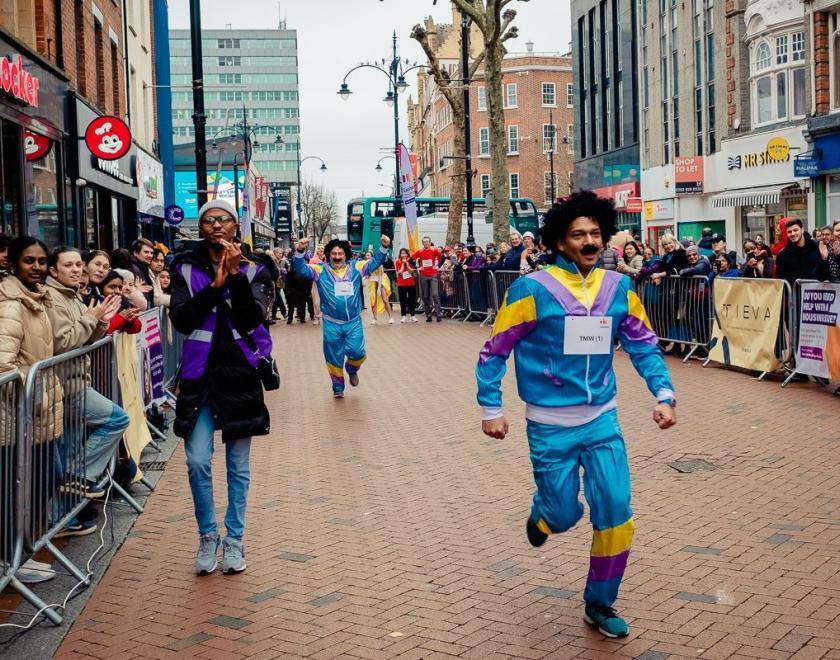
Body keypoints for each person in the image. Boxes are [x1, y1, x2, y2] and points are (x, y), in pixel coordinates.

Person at [476, 190, 676, 639]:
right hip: (550, 427)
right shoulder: (532, 289)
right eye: (577, 234)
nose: (588, 241)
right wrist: (491, 406)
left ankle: (600, 603)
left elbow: (643, 343)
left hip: (602, 420)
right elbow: (494, 351)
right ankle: (546, 512)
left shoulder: (618, 287)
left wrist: (664, 393)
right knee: (566, 514)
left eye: (595, 234)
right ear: (561, 242)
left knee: (616, 511)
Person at [169, 199, 274, 576]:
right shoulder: (182, 266)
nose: (216, 225)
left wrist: (233, 278)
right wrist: (214, 286)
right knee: (197, 461)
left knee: (238, 466)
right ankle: (207, 535)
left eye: (223, 219)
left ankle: (234, 539)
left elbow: (253, 317)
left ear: (235, 228)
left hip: (239, 376)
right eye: (209, 220)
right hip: (197, 378)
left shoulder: (257, 268)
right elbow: (182, 319)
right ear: (201, 229)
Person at [45, 247, 128, 531]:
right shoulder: (53, 298)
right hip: (66, 386)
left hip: (75, 383)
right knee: (117, 418)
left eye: (79, 264)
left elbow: (89, 337)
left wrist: (101, 318)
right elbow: (64, 342)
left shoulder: (72, 296)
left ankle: (64, 518)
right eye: (69, 265)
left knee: (70, 449)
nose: (77, 269)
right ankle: (78, 477)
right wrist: (93, 319)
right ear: (54, 271)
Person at [0, 237, 63, 584]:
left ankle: (20, 553)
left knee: (41, 482)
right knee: (16, 492)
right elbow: (2, 364)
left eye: (41, 260)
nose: (37, 267)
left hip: (37, 416)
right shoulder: (10, 304)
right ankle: (11, 559)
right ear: (13, 264)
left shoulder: (39, 298)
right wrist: (34, 395)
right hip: (16, 419)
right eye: (29, 261)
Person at [292, 234, 391, 397]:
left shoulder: (357, 267)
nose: (337, 257)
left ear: (345, 254)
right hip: (331, 322)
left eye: (340, 254)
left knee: (358, 353)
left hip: (353, 321)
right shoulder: (320, 270)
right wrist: (300, 250)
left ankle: (352, 369)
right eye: (333, 254)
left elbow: (375, 262)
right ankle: (338, 387)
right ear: (328, 255)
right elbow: (300, 268)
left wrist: (384, 247)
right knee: (333, 356)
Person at [775, 218, 831, 286]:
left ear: (802, 230)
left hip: (815, 294)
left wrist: (825, 259)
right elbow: (781, 279)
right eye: (789, 232)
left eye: (795, 230)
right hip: (794, 295)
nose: (792, 234)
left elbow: (826, 275)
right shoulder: (782, 254)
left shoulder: (817, 247)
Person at [411, 236, 443, 322]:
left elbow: (442, 257)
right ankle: (428, 315)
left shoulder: (434, 250)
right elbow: (410, 259)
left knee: (435, 294)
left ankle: (438, 314)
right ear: (422, 243)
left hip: (433, 275)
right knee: (425, 296)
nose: (426, 243)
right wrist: (417, 267)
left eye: (427, 241)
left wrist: (438, 266)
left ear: (430, 242)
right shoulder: (420, 251)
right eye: (424, 242)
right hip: (423, 276)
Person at [366, 251, 394, 325]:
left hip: (381, 281)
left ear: (372, 256)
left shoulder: (377, 263)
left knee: (385, 299)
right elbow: (367, 275)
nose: (367, 257)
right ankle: (374, 318)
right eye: (366, 255)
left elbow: (380, 276)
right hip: (372, 283)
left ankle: (390, 317)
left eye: (368, 255)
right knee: (373, 301)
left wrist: (379, 288)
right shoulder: (366, 265)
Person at [130, 238, 155, 307]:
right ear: (135, 253)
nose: (150, 255)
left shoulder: (143, 267)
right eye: (146, 252)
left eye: (151, 253)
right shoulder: (133, 269)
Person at [395, 248, 418, 322]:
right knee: (403, 300)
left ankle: (412, 315)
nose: (403, 255)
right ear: (400, 254)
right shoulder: (397, 261)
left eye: (405, 253)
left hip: (410, 283)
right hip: (401, 284)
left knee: (411, 299)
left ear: (407, 254)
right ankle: (403, 316)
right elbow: (400, 272)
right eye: (402, 253)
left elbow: (411, 271)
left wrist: (407, 264)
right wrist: (403, 263)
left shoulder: (411, 261)